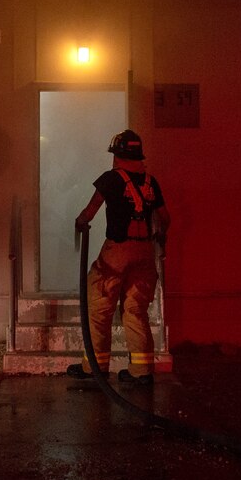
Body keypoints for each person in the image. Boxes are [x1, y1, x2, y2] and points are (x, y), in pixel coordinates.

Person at [67, 129, 170, 386]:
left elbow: (90, 211)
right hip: (145, 252)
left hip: (117, 251)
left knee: (99, 307)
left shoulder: (110, 179)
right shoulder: (150, 182)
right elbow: (165, 218)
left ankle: (95, 367)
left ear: (117, 155)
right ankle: (141, 371)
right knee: (135, 310)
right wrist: (160, 240)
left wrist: (79, 223)